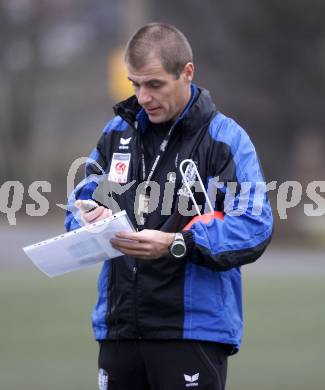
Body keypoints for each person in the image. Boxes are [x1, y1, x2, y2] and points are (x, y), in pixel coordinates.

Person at [65, 22, 273, 390]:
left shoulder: (224, 139)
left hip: (192, 333)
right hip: (120, 330)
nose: (143, 97)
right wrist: (88, 216)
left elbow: (254, 226)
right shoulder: (117, 134)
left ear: (187, 73)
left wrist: (177, 244)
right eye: (135, 85)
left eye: (154, 84)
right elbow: (78, 207)